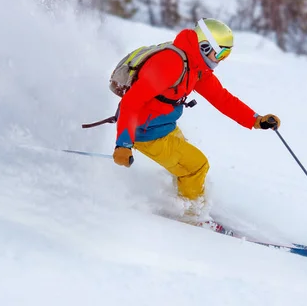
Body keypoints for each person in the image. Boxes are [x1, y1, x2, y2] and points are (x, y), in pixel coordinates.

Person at [112, 18, 280, 222]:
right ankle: (191, 216)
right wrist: (123, 144)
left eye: (227, 54)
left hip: (164, 125)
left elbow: (222, 98)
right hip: (145, 132)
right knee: (196, 166)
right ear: (204, 46)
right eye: (221, 53)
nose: (222, 59)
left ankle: (182, 200)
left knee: (186, 163)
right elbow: (131, 103)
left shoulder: (196, 66)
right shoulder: (170, 64)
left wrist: (256, 120)